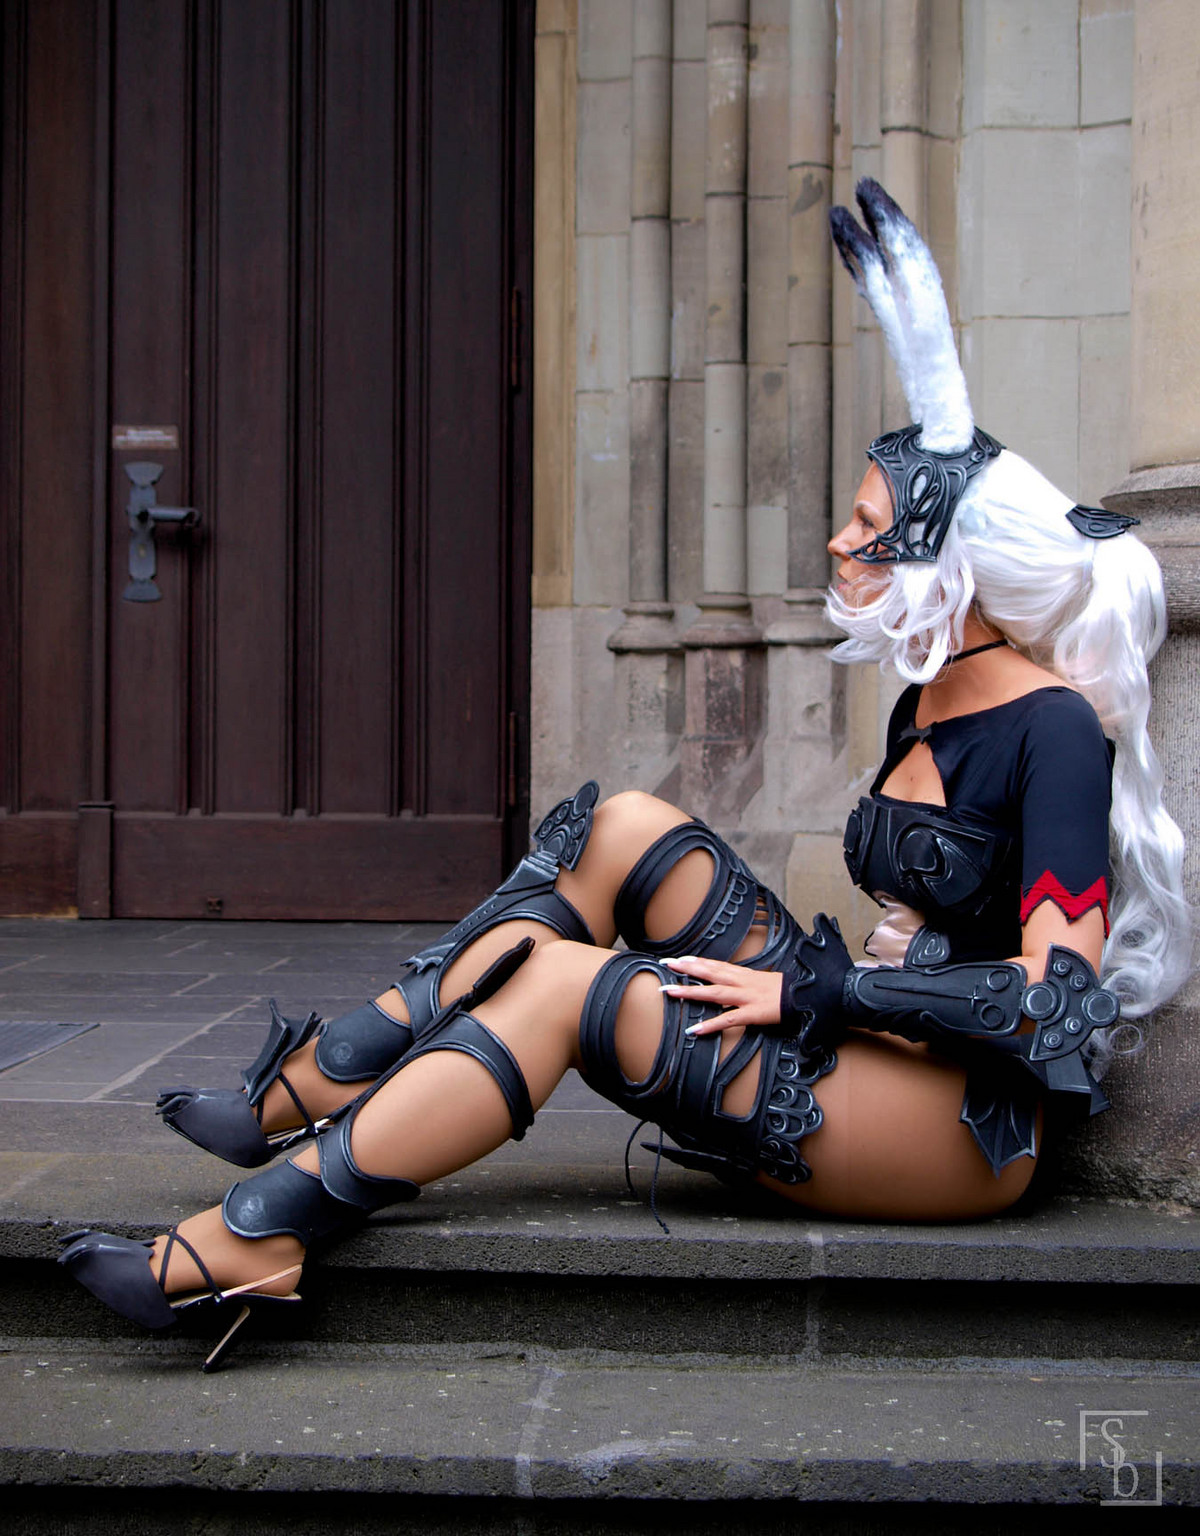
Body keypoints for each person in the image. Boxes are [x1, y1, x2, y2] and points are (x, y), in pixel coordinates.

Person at [60, 181, 1190, 1372]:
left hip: (958, 1126)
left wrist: (823, 993)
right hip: (864, 1039)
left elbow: (1059, 1002)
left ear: (946, 562)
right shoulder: (931, 692)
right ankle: (313, 1082)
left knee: (564, 983)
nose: (838, 543)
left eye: (867, 526)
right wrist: (826, 992)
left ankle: (259, 1234)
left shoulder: (1055, 732)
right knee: (623, 826)